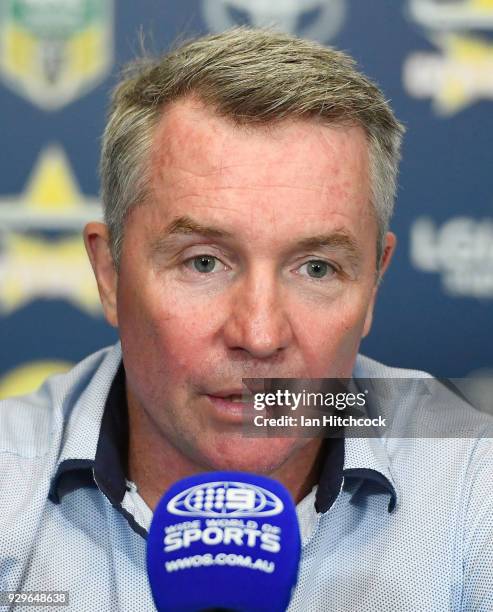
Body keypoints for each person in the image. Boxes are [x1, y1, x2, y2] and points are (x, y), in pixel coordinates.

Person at [1, 27, 492, 611]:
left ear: (375, 281)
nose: (259, 336)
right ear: (109, 274)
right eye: (203, 262)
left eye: (315, 269)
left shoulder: (472, 487)